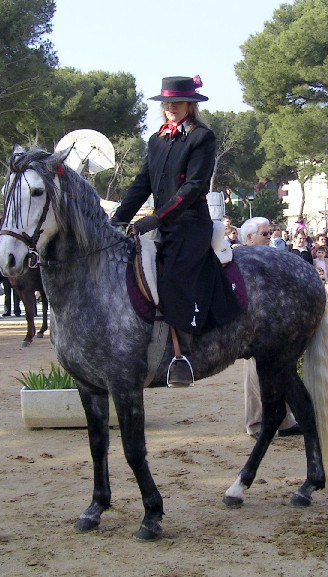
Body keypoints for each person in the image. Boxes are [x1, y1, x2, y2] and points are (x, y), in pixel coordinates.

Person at [110, 76, 240, 386]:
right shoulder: (157, 139)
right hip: (162, 226)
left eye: (176, 102)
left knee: (173, 280)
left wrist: (154, 218)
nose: (170, 107)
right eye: (166, 102)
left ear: (190, 105)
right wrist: (117, 219)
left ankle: (183, 354)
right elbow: (142, 183)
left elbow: (193, 187)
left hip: (190, 226)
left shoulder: (201, 138)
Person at [238, 217, 301, 438]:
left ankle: (284, 421)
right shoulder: (239, 259)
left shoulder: (271, 257)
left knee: (282, 368)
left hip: (274, 323)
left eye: (271, 232)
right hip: (251, 325)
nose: (271, 237)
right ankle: (255, 422)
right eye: (265, 234)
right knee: (255, 372)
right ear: (249, 238)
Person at [313, 246, 328, 315]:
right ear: (316, 253)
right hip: (318, 281)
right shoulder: (314, 261)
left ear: (325, 253)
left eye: (322, 252)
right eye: (319, 252)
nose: (320, 254)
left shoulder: (327, 261)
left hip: (327, 280)